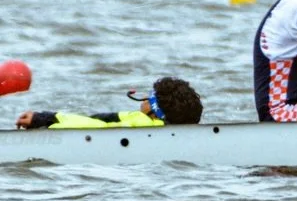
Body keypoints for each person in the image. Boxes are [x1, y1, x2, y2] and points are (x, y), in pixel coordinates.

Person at [16, 77, 203, 129]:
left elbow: (92, 126)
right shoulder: (142, 119)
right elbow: (101, 119)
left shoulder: (143, 124)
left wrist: (44, 119)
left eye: (149, 96)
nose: (144, 98)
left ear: (155, 109)